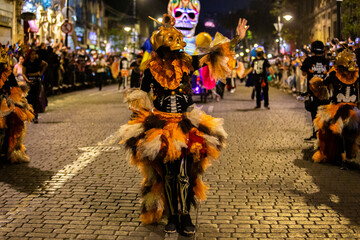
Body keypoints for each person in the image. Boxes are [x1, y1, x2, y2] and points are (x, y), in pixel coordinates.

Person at [119, 14, 248, 235]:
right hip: (160, 124)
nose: (171, 55)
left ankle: (186, 214)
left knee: (184, 173)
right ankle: (173, 215)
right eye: (167, 51)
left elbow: (213, 54)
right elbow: (142, 95)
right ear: (160, 51)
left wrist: (237, 38)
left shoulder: (187, 64)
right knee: (168, 173)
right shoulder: (151, 70)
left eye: (174, 51)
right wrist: (140, 119)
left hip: (185, 123)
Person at [310, 49, 359, 168]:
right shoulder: (334, 73)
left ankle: (346, 156)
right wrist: (318, 85)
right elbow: (323, 84)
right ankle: (340, 156)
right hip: (337, 107)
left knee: (350, 134)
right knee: (333, 131)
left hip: (353, 108)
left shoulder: (356, 74)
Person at [0, 47, 34, 163]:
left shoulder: (7, 73)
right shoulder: (7, 72)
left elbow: (13, 86)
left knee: (15, 121)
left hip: (5, 100)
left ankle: (10, 150)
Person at [300, 40, 329, 141]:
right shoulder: (326, 60)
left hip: (313, 90)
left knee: (314, 112)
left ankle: (315, 133)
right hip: (325, 91)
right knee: (324, 113)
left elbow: (303, 74)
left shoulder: (308, 60)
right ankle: (324, 134)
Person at [23, 49, 48, 123]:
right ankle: (30, 114)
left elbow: (45, 64)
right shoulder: (26, 63)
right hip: (29, 81)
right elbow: (23, 73)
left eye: (34, 54)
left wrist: (41, 73)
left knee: (36, 98)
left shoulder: (37, 61)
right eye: (32, 54)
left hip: (37, 81)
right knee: (29, 99)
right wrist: (28, 81)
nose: (33, 56)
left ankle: (36, 115)